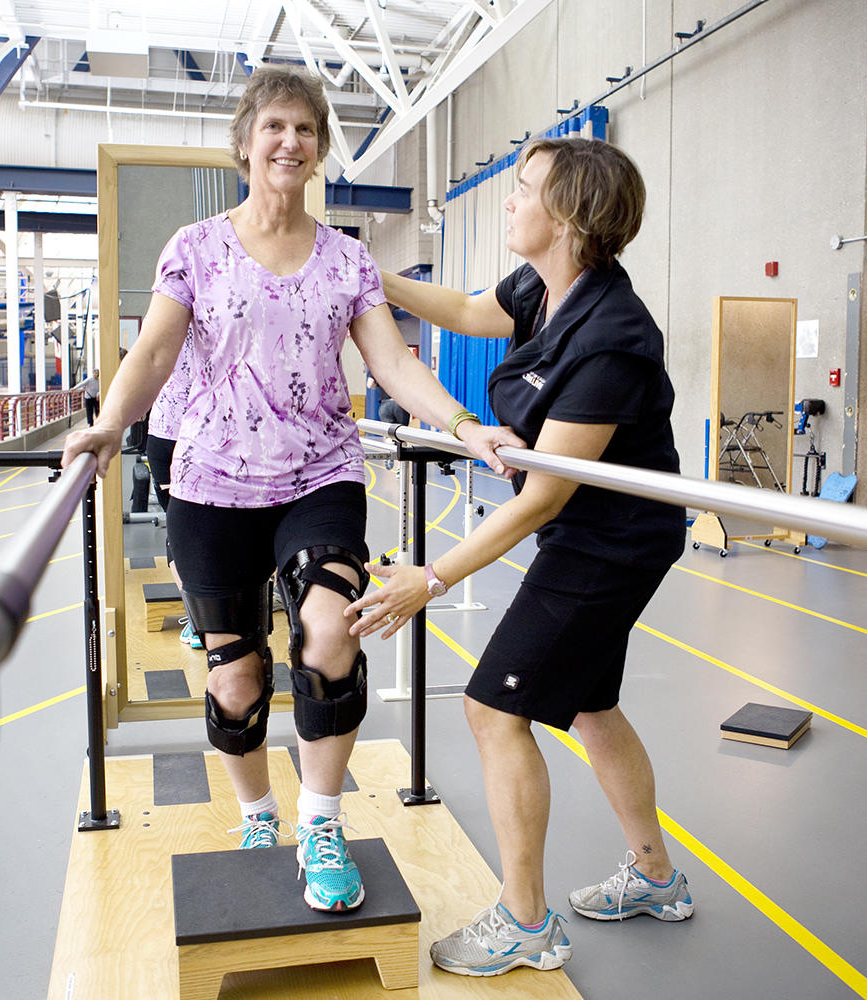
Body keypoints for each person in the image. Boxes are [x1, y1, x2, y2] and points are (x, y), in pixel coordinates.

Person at [61, 65, 522, 914]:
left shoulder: (348, 258)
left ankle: (320, 821)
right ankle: (258, 814)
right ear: (246, 145)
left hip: (319, 473)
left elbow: (391, 364)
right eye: (274, 126)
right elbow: (156, 355)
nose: (290, 141)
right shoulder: (194, 249)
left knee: (327, 627)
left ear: (317, 154)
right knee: (235, 678)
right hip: (207, 481)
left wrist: (464, 427)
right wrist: (111, 425)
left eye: (306, 130)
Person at [346, 136, 692, 974]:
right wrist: (361, 274)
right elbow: (468, 313)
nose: (509, 201)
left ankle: (526, 922)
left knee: (493, 709)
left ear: (567, 214)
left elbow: (544, 495)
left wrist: (431, 578)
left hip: (611, 542)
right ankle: (657, 877)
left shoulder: (612, 335)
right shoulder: (545, 288)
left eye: (524, 188)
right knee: (590, 706)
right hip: (590, 531)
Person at [144, 330, 202, 649]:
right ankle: (201, 617)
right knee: (202, 525)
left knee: (179, 525)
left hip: (170, 430)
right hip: (203, 430)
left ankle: (198, 619)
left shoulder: (171, 307)